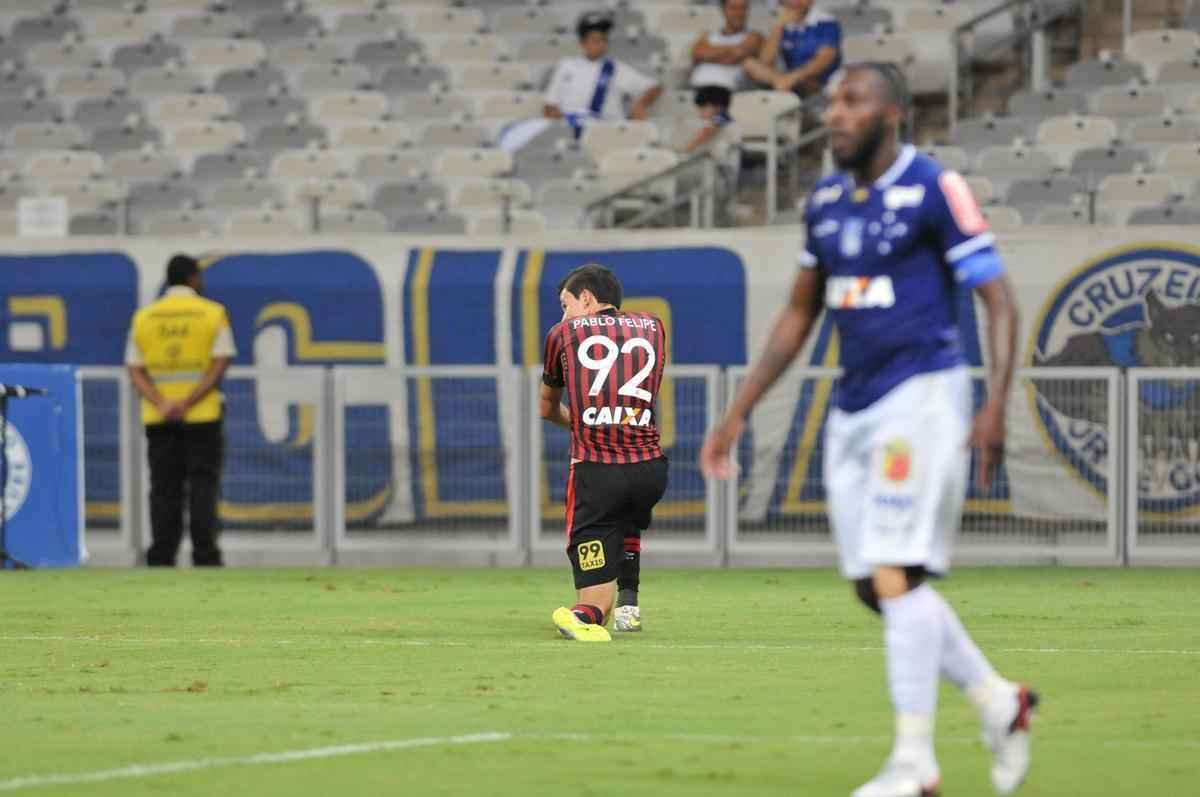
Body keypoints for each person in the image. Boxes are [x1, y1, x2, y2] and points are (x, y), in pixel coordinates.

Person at [700, 63, 1038, 796]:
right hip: (852, 407)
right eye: (832, 103)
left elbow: (1000, 300)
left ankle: (914, 764)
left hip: (921, 396)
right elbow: (799, 313)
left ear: (890, 115)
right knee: (873, 585)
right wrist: (739, 409)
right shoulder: (824, 201)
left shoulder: (933, 188)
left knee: (895, 572)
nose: (836, 114)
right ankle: (998, 702)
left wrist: (995, 405)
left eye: (851, 101)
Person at [540, 264, 669, 641]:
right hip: (650, 470)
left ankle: (588, 614)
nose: (563, 315)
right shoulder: (654, 327)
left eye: (566, 304)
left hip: (597, 472)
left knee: (594, 600)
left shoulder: (562, 334)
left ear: (586, 298)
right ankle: (629, 605)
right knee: (626, 516)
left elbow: (545, 409)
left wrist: (580, 421)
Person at [126, 255, 235, 568]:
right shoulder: (212, 314)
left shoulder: (145, 317)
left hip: (158, 416)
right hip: (202, 415)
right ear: (194, 278)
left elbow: (135, 369)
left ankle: (162, 555)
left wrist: (162, 402)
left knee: (163, 487)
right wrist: (188, 401)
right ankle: (205, 555)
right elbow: (220, 361)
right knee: (202, 485)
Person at [543, 11, 662, 133]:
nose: (601, 45)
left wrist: (639, 105)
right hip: (571, 130)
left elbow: (654, 87)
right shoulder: (566, 66)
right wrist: (555, 116)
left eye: (604, 40)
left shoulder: (616, 68)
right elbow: (550, 105)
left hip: (607, 132)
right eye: (595, 40)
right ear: (582, 43)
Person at [743, 0, 841, 96]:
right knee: (749, 64)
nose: (797, 2)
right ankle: (780, 83)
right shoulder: (783, 22)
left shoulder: (825, 22)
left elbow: (825, 58)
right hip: (789, 83)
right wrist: (778, 27)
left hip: (819, 83)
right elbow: (766, 62)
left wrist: (794, 77)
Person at [689, 0, 763, 94]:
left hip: (730, 93)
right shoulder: (707, 35)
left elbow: (733, 57)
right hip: (699, 89)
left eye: (743, 8)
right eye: (733, 8)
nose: (738, 13)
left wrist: (709, 54)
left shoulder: (755, 37)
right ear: (723, 10)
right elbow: (696, 53)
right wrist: (730, 51)